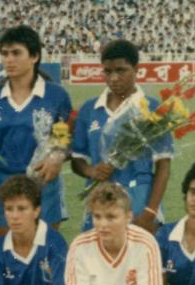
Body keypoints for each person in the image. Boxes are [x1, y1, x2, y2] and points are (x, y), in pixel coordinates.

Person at [0, 25, 71, 238]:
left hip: (43, 186)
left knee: (43, 252)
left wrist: (57, 158)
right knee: (3, 253)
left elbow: (64, 141)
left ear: (34, 56)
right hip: (0, 186)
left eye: (16, 53)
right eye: (5, 54)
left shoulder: (56, 95)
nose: (9, 60)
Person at [71, 39, 171, 234]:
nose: (114, 78)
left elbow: (163, 166)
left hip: (139, 200)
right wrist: (91, 171)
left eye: (121, 70)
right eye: (107, 71)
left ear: (136, 69)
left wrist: (150, 212)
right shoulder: (90, 109)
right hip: (99, 201)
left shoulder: (152, 108)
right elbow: (77, 159)